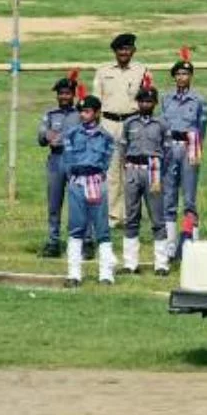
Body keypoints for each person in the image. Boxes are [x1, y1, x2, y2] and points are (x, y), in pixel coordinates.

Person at [62, 93, 117, 287]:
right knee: (76, 228)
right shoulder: (71, 134)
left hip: (96, 182)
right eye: (81, 111)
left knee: (102, 229)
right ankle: (74, 274)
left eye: (87, 111)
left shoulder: (107, 137)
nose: (83, 115)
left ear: (97, 113)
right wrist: (74, 179)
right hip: (77, 182)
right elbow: (67, 161)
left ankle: (106, 274)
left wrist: (97, 176)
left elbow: (107, 161)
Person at [93, 33, 147, 227]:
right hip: (109, 123)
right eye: (120, 49)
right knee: (112, 170)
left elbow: (148, 99)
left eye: (127, 49)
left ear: (133, 51)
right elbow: (96, 100)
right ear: (115, 52)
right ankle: (113, 216)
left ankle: (130, 214)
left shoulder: (142, 71)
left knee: (132, 170)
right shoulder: (103, 71)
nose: (124, 53)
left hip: (132, 123)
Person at [161, 47, 207, 259]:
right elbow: (163, 123)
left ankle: (191, 242)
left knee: (189, 197)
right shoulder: (166, 98)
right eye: (179, 74)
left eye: (186, 74)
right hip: (171, 147)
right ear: (174, 77)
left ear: (191, 77)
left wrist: (196, 146)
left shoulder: (198, 100)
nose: (182, 77)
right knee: (169, 196)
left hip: (190, 147)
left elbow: (203, 126)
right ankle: (169, 245)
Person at [120, 77, 168, 276]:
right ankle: (130, 263)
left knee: (157, 217)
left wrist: (161, 170)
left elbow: (168, 151)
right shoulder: (129, 122)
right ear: (137, 103)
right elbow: (122, 148)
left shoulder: (161, 124)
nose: (145, 104)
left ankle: (161, 263)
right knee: (131, 216)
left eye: (149, 101)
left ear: (155, 103)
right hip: (132, 170)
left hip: (153, 171)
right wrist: (126, 168)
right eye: (142, 101)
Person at [38, 71, 81, 258]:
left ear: (73, 94)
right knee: (54, 203)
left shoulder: (80, 114)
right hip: (56, 160)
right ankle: (53, 241)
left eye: (67, 93)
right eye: (61, 93)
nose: (64, 97)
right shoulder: (50, 114)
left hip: (75, 161)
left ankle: (82, 241)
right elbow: (41, 136)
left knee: (78, 202)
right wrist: (46, 135)